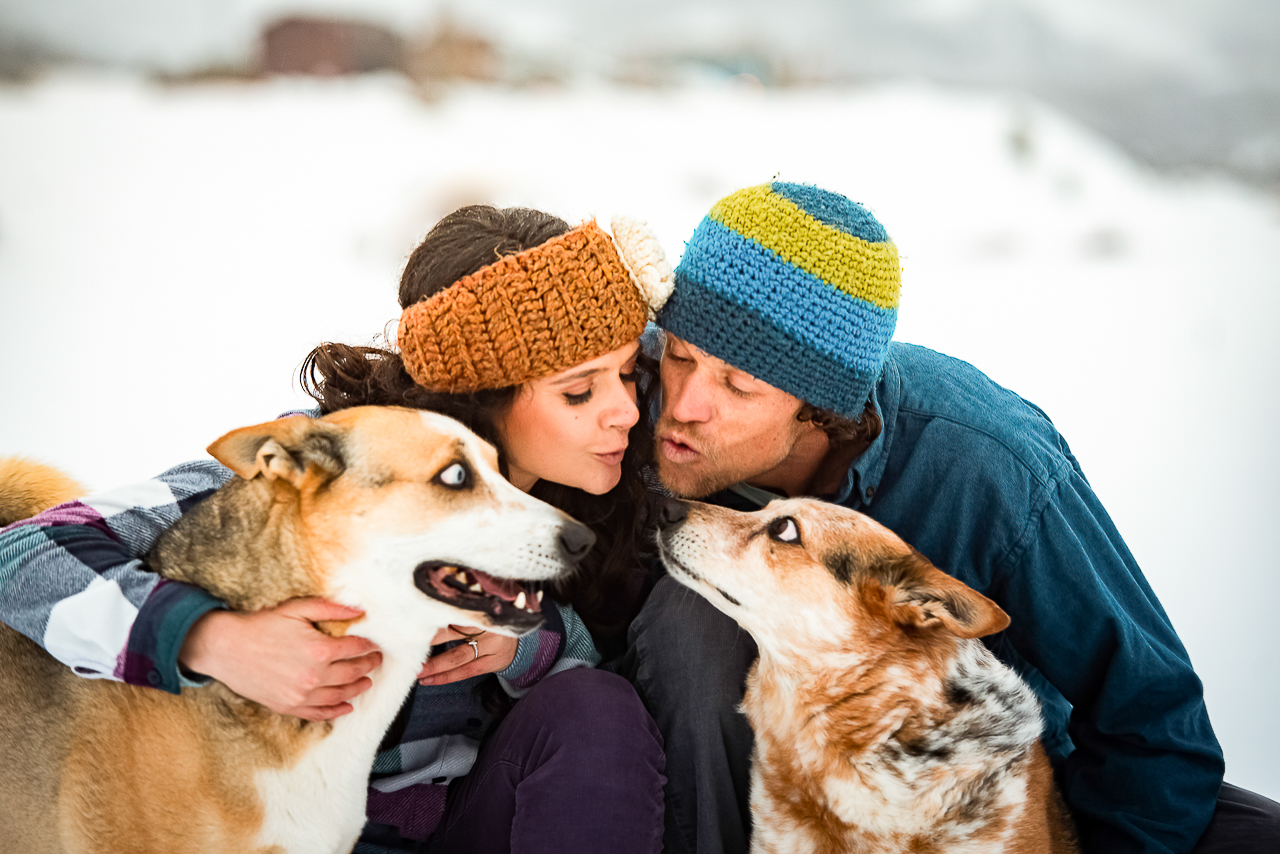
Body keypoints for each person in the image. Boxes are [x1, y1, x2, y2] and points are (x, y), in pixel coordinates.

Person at [618, 181, 1280, 854]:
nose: (685, 404)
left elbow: (1152, 716)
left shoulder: (988, 466)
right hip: (735, 792)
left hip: (975, 805)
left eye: (738, 386)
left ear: (820, 410)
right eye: (679, 355)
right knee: (692, 623)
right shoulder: (620, 393)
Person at [0, 205, 671, 854]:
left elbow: (628, 708)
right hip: (271, 819)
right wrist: (213, 638)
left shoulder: (606, 485)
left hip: (470, 814)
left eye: (626, 375)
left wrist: (529, 643)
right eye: (578, 392)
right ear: (478, 394)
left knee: (598, 709)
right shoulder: (331, 469)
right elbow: (23, 551)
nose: (624, 412)